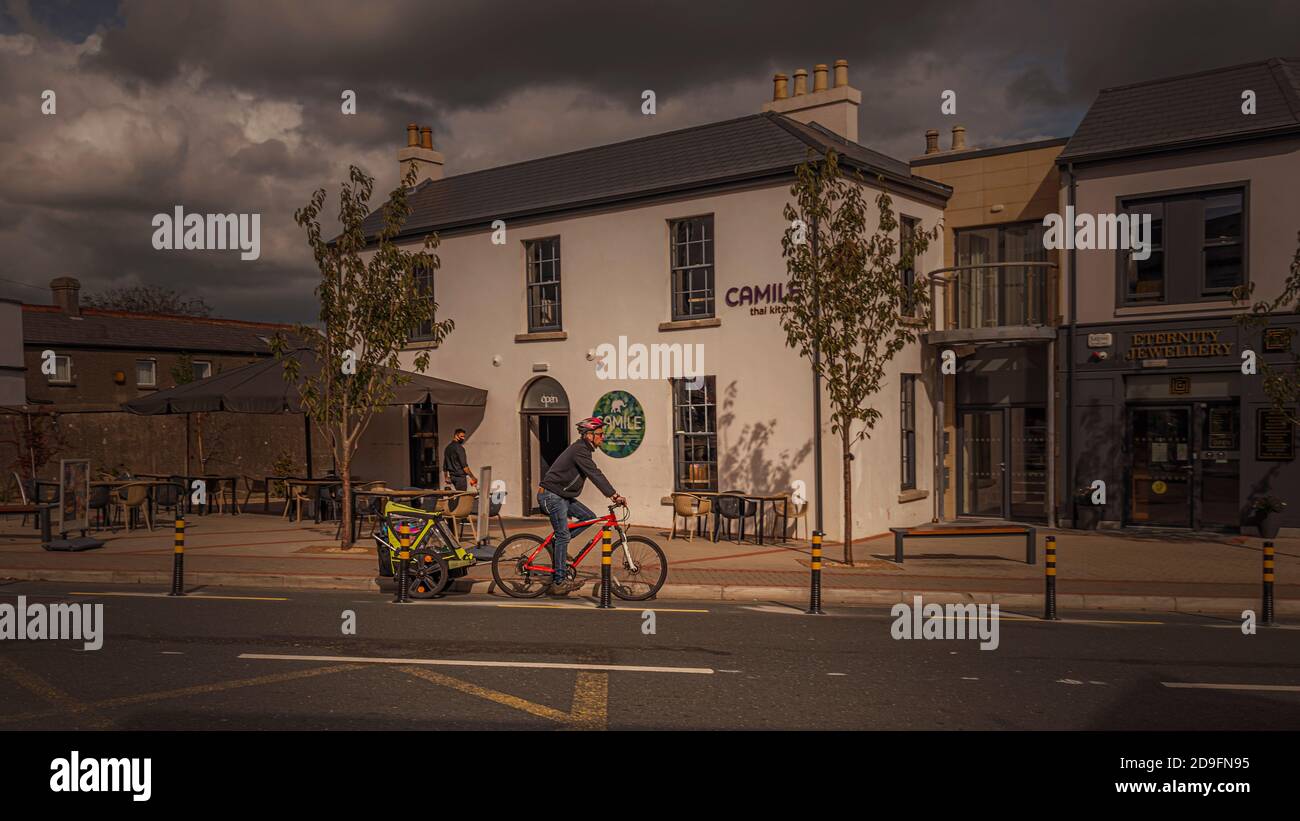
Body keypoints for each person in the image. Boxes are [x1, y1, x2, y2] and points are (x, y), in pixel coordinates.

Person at [538, 416, 626, 594]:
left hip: (561, 495)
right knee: (563, 536)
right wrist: (614, 495)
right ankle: (559, 582)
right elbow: (595, 474)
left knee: (589, 517)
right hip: (552, 496)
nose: (603, 437)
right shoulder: (579, 450)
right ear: (589, 435)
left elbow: (594, 474)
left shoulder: (582, 450)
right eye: (600, 434)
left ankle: (558, 543)